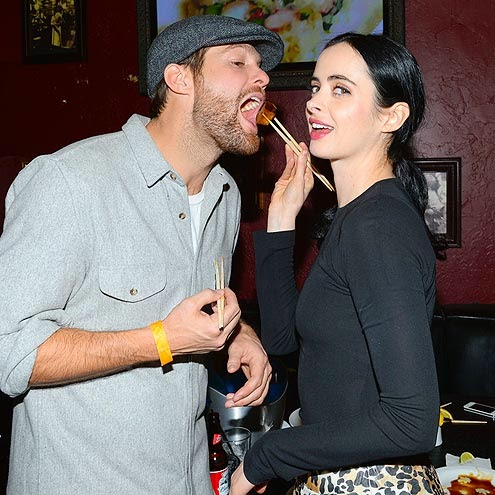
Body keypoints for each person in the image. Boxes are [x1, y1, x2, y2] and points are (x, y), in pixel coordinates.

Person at [0, 15, 284, 495]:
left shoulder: (225, 194)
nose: (262, 78)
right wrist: (159, 340)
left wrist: (238, 333)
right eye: (238, 63)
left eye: (261, 67)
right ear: (179, 79)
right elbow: (8, 351)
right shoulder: (69, 182)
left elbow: (189, 308)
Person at [230, 33, 443, 495]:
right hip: (338, 476)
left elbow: (412, 421)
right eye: (315, 86)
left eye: (340, 89)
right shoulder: (355, 218)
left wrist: (266, 456)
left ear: (391, 116)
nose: (314, 103)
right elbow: (283, 340)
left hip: (370, 483)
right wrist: (281, 220)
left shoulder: (377, 225)